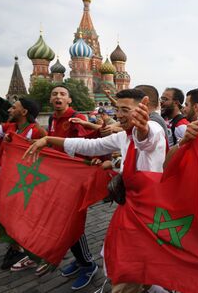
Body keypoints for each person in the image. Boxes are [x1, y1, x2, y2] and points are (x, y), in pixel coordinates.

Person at [24, 89, 166, 293]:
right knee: (136, 268)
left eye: (126, 110)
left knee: (129, 272)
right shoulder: (123, 137)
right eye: (118, 109)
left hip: (147, 215)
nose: (119, 115)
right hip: (130, 210)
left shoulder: (152, 128)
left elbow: (147, 138)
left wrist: (142, 129)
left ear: (143, 110)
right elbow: (91, 145)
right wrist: (48, 141)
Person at [0, 97, 46, 274]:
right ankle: (18, 247)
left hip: (23, 183)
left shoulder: (36, 130)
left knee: (11, 221)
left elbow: (50, 151)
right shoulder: (10, 127)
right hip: (3, 180)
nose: (9, 110)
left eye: (14, 107)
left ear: (24, 112)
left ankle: (27, 251)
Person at [45, 84, 100, 287]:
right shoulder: (52, 119)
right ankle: (80, 261)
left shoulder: (77, 118)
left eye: (62, 94)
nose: (58, 97)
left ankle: (88, 264)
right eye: (54, 94)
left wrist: (94, 160)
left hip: (74, 179)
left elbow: (90, 143)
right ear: (51, 100)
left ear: (69, 100)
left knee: (73, 223)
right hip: (58, 178)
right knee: (63, 221)